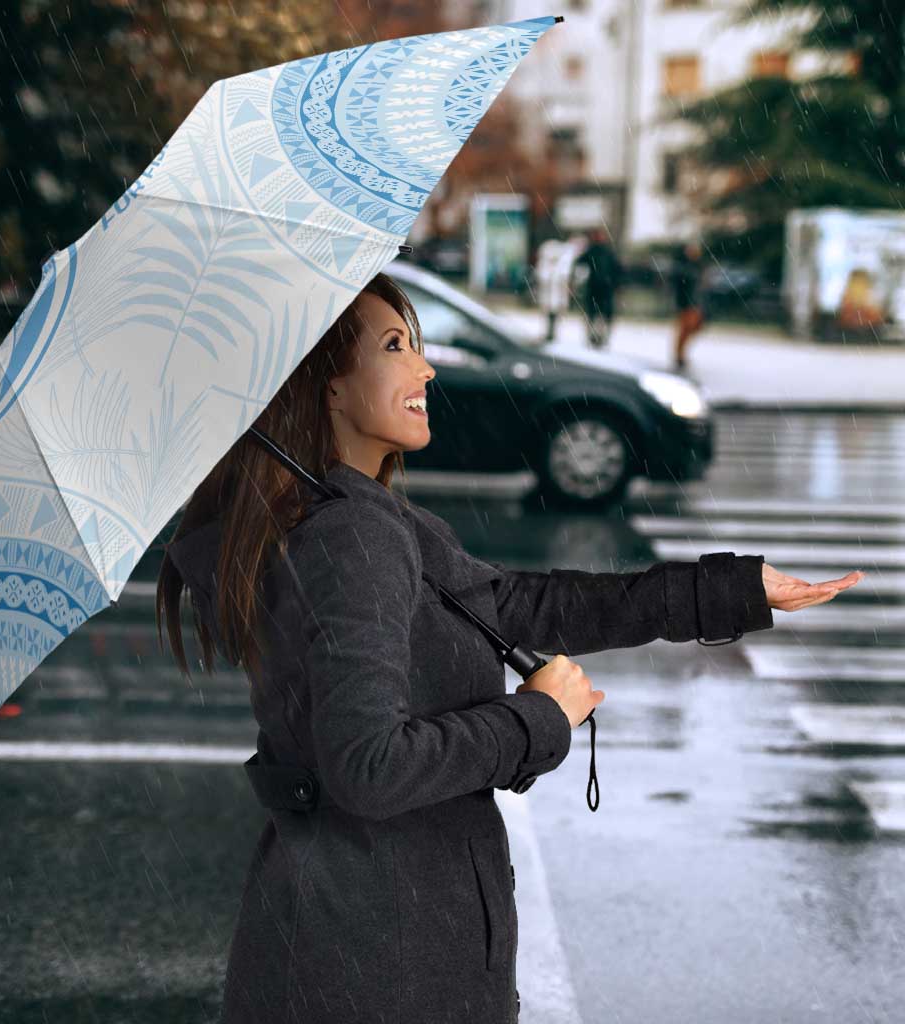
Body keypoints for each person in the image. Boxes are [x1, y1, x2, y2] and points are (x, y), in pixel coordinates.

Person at [156, 272, 863, 1024]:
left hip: (361, 943)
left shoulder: (361, 520)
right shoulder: (350, 537)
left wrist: (731, 590)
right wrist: (536, 719)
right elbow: (368, 767)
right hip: (377, 962)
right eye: (395, 346)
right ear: (326, 388)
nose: (425, 368)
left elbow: (525, 605)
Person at [573, 226, 623, 349]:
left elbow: (617, 270)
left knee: (601, 315)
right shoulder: (593, 251)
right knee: (594, 314)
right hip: (596, 288)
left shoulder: (606, 252)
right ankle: (594, 337)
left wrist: (616, 284)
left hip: (604, 288)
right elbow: (579, 264)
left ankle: (600, 337)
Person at [671, 239, 707, 370]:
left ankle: (680, 354)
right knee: (685, 329)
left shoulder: (698, 266)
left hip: (695, 303)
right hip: (686, 303)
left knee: (693, 328)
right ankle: (679, 355)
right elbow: (680, 286)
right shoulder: (683, 267)